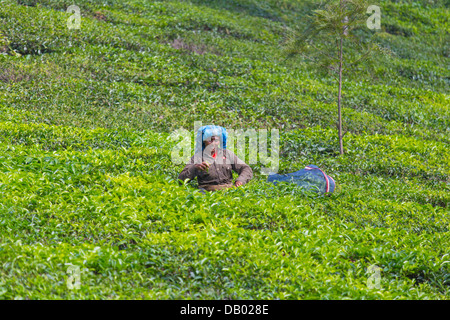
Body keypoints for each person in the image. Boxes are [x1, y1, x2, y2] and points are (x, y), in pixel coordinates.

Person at [178, 125, 253, 192]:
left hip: (228, 191)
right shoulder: (198, 157)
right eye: (210, 140)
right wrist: (194, 168)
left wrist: (240, 180)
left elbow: (246, 168)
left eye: (216, 140)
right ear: (204, 141)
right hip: (206, 193)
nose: (213, 143)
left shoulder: (227, 154)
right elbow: (181, 180)